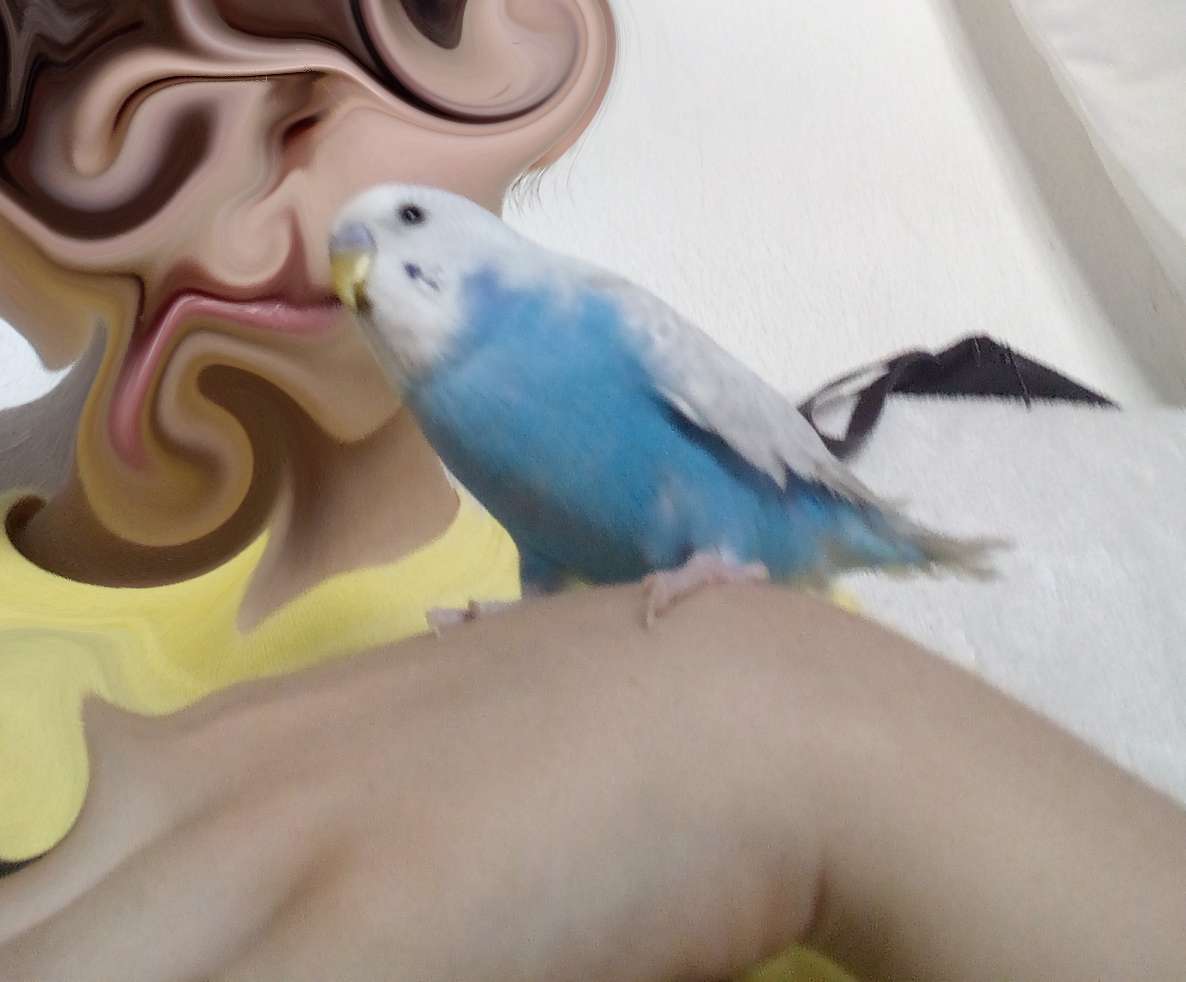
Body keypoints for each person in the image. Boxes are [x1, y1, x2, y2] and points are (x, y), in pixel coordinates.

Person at [3, 4, 1184, 980]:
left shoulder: (630, 360)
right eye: (59, 71)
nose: (238, 135)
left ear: (533, 48)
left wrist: (803, 723)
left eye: (345, 23)